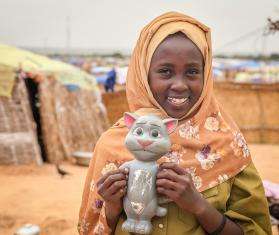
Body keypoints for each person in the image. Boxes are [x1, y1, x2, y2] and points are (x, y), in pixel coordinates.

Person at [78, 12, 272, 235]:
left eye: (192, 72)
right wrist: (112, 207)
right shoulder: (113, 143)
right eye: (165, 71)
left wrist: (198, 206)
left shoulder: (227, 143)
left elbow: (257, 231)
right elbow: (89, 229)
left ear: (205, 75)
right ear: (144, 75)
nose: (179, 85)